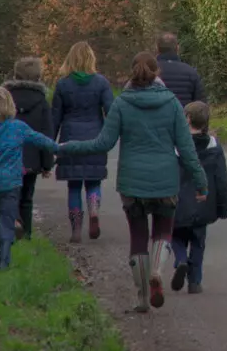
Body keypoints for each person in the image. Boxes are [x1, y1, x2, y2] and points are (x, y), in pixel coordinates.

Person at [59, 52, 208, 313]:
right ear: (156, 73)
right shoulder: (172, 103)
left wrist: (70, 145)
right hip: (165, 181)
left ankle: (141, 299)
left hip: (132, 183)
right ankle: (158, 272)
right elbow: (186, 148)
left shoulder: (122, 103)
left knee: (138, 238)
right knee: (163, 232)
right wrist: (201, 181)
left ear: (132, 72)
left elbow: (103, 143)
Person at [0, 86, 60, 270]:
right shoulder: (18, 128)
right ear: (10, 106)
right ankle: (4, 259)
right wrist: (59, 148)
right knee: (6, 221)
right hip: (10, 185)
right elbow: (40, 139)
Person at [51, 41, 114, 242]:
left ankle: (76, 228)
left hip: (70, 139)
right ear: (91, 59)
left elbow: (55, 118)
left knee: (74, 186)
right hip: (95, 138)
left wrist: (49, 145)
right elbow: (111, 112)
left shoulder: (62, 85)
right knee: (93, 181)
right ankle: (94, 210)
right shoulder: (102, 83)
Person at [170, 101, 227, 295]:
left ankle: (180, 260)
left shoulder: (175, 146)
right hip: (203, 204)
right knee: (198, 242)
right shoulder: (214, 147)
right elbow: (221, 179)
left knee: (176, 236)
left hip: (178, 203)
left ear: (186, 119)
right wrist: (222, 207)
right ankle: (195, 281)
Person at [3, 56, 55, 242]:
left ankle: (13, 225)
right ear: (38, 77)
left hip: (7, 156)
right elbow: (46, 133)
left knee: (10, 194)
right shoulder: (41, 101)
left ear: (16, 75)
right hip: (32, 158)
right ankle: (27, 236)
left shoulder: (5, 99)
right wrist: (47, 163)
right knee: (27, 197)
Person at [155, 32, 207, 107]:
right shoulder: (190, 72)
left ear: (157, 48)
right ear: (177, 48)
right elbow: (201, 105)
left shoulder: (149, 72)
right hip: (184, 117)